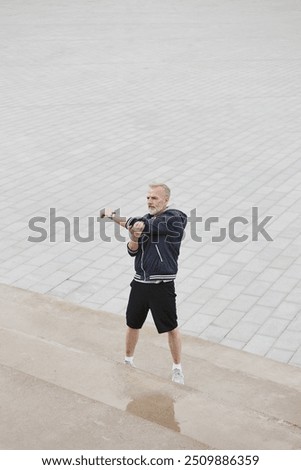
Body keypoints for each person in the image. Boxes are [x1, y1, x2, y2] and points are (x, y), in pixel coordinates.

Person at [102, 183, 187, 384]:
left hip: (162, 284)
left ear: (166, 200)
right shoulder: (145, 220)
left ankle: (177, 369)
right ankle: (128, 360)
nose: (150, 201)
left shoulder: (176, 218)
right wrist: (134, 238)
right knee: (132, 323)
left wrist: (112, 215)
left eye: (154, 198)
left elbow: (146, 226)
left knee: (171, 327)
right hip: (140, 283)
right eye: (148, 198)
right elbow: (133, 251)